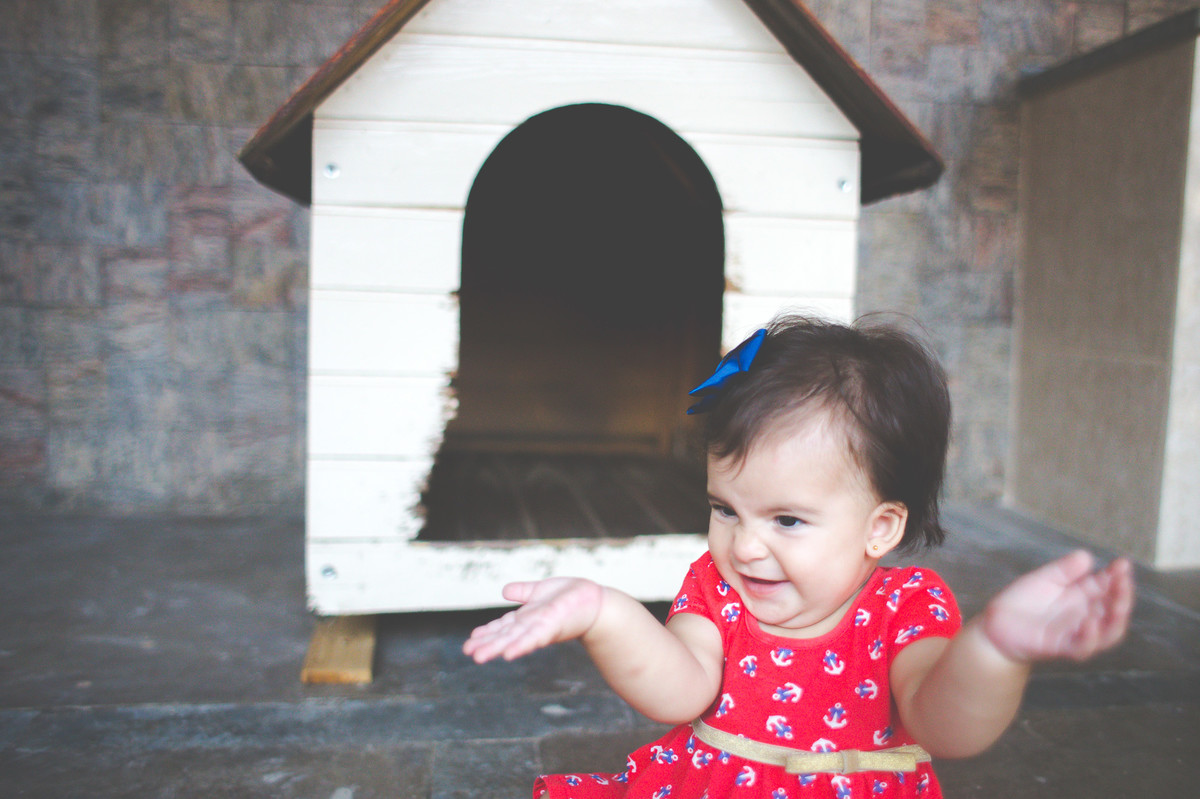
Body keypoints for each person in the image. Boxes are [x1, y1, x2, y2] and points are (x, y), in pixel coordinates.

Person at [463, 314, 1134, 798]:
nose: (745, 545)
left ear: (881, 527)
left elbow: (943, 722)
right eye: (725, 508)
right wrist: (606, 613)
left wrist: (995, 649)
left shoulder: (906, 606)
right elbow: (680, 687)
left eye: (787, 519)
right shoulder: (716, 587)